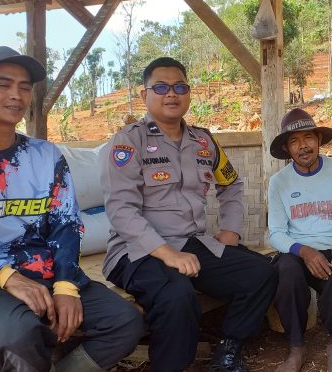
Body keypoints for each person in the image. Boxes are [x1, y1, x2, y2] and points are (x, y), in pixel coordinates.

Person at [0, 46, 144, 371]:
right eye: (3, 84)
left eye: (24, 87)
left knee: (125, 322)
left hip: (53, 273)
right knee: (17, 335)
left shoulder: (45, 155)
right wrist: (5, 276)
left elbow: (66, 224)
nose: (16, 95)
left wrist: (66, 286)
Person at [101, 57, 277, 372]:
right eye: (161, 87)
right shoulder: (129, 141)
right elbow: (120, 209)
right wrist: (166, 253)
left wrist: (232, 230)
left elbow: (232, 184)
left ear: (189, 93)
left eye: (180, 86)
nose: (172, 94)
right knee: (177, 293)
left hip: (191, 244)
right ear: (145, 96)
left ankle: (228, 352)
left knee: (261, 272)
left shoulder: (204, 141)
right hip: (135, 251)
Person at [267, 108, 332, 372]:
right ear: (287, 149)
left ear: (318, 140)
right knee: (286, 274)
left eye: (308, 138)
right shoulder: (279, 182)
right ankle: (296, 347)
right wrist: (304, 251)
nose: (303, 146)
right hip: (298, 251)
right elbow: (276, 232)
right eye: (294, 141)